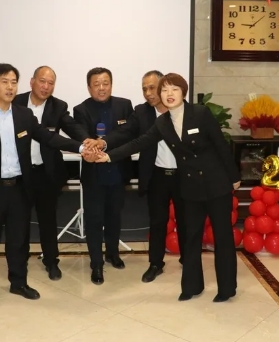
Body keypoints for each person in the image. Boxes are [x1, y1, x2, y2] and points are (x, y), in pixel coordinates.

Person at [87, 73, 241, 302]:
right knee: (191, 237)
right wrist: (108, 156)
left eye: (174, 89)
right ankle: (192, 286)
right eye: (165, 90)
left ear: (183, 92)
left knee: (223, 237)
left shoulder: (200, 113)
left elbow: (221, 144)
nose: (169, 94)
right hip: (190, 187)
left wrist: (234, 177)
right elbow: (138, 143)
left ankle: (226, 289)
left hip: (216, 184)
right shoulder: (163, 123)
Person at [0, 63, 90, 306]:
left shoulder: (23, 115)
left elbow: (49, 137)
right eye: (4, 82)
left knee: (18, 239)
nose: (10, 87)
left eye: (13, 82)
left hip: (20, 188)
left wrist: (82, 147)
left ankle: (18, 282)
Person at [96, 70, 186, 283]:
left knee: (186, 220)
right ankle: (155, 263)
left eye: (152, 88)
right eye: (144, 89)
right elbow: (125, 134)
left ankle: (189, 259)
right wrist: (104, 143)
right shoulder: (142, 112)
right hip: (156, 175)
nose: (148, 93)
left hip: (184, 175)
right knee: (157, 221)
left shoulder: (185, 111)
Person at [13, 66, 89, 281]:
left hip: (46, 173)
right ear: (32, 82)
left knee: (48, 219)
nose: (46, 86)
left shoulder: (58, 106)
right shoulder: (15, 103)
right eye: (42, 81)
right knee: (19, 220)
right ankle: (19, 262)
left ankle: (51, 261)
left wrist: (87, 141)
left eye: (51, 83)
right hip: (20, 173)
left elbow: (72, 127)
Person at [73, 67, 134, 285]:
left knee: (114, 216)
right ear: (89, 87)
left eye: (105, 83)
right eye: (96, 84)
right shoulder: (81, 109)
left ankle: (112, 253)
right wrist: (90, 146)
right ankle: (96, 263)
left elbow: (128, 132)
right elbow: (81, 133)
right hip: (94, 175)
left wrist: (103, 142)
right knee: (94, 220)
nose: (101, 88)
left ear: (111, 84)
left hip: (118, 171)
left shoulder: (124, 105)